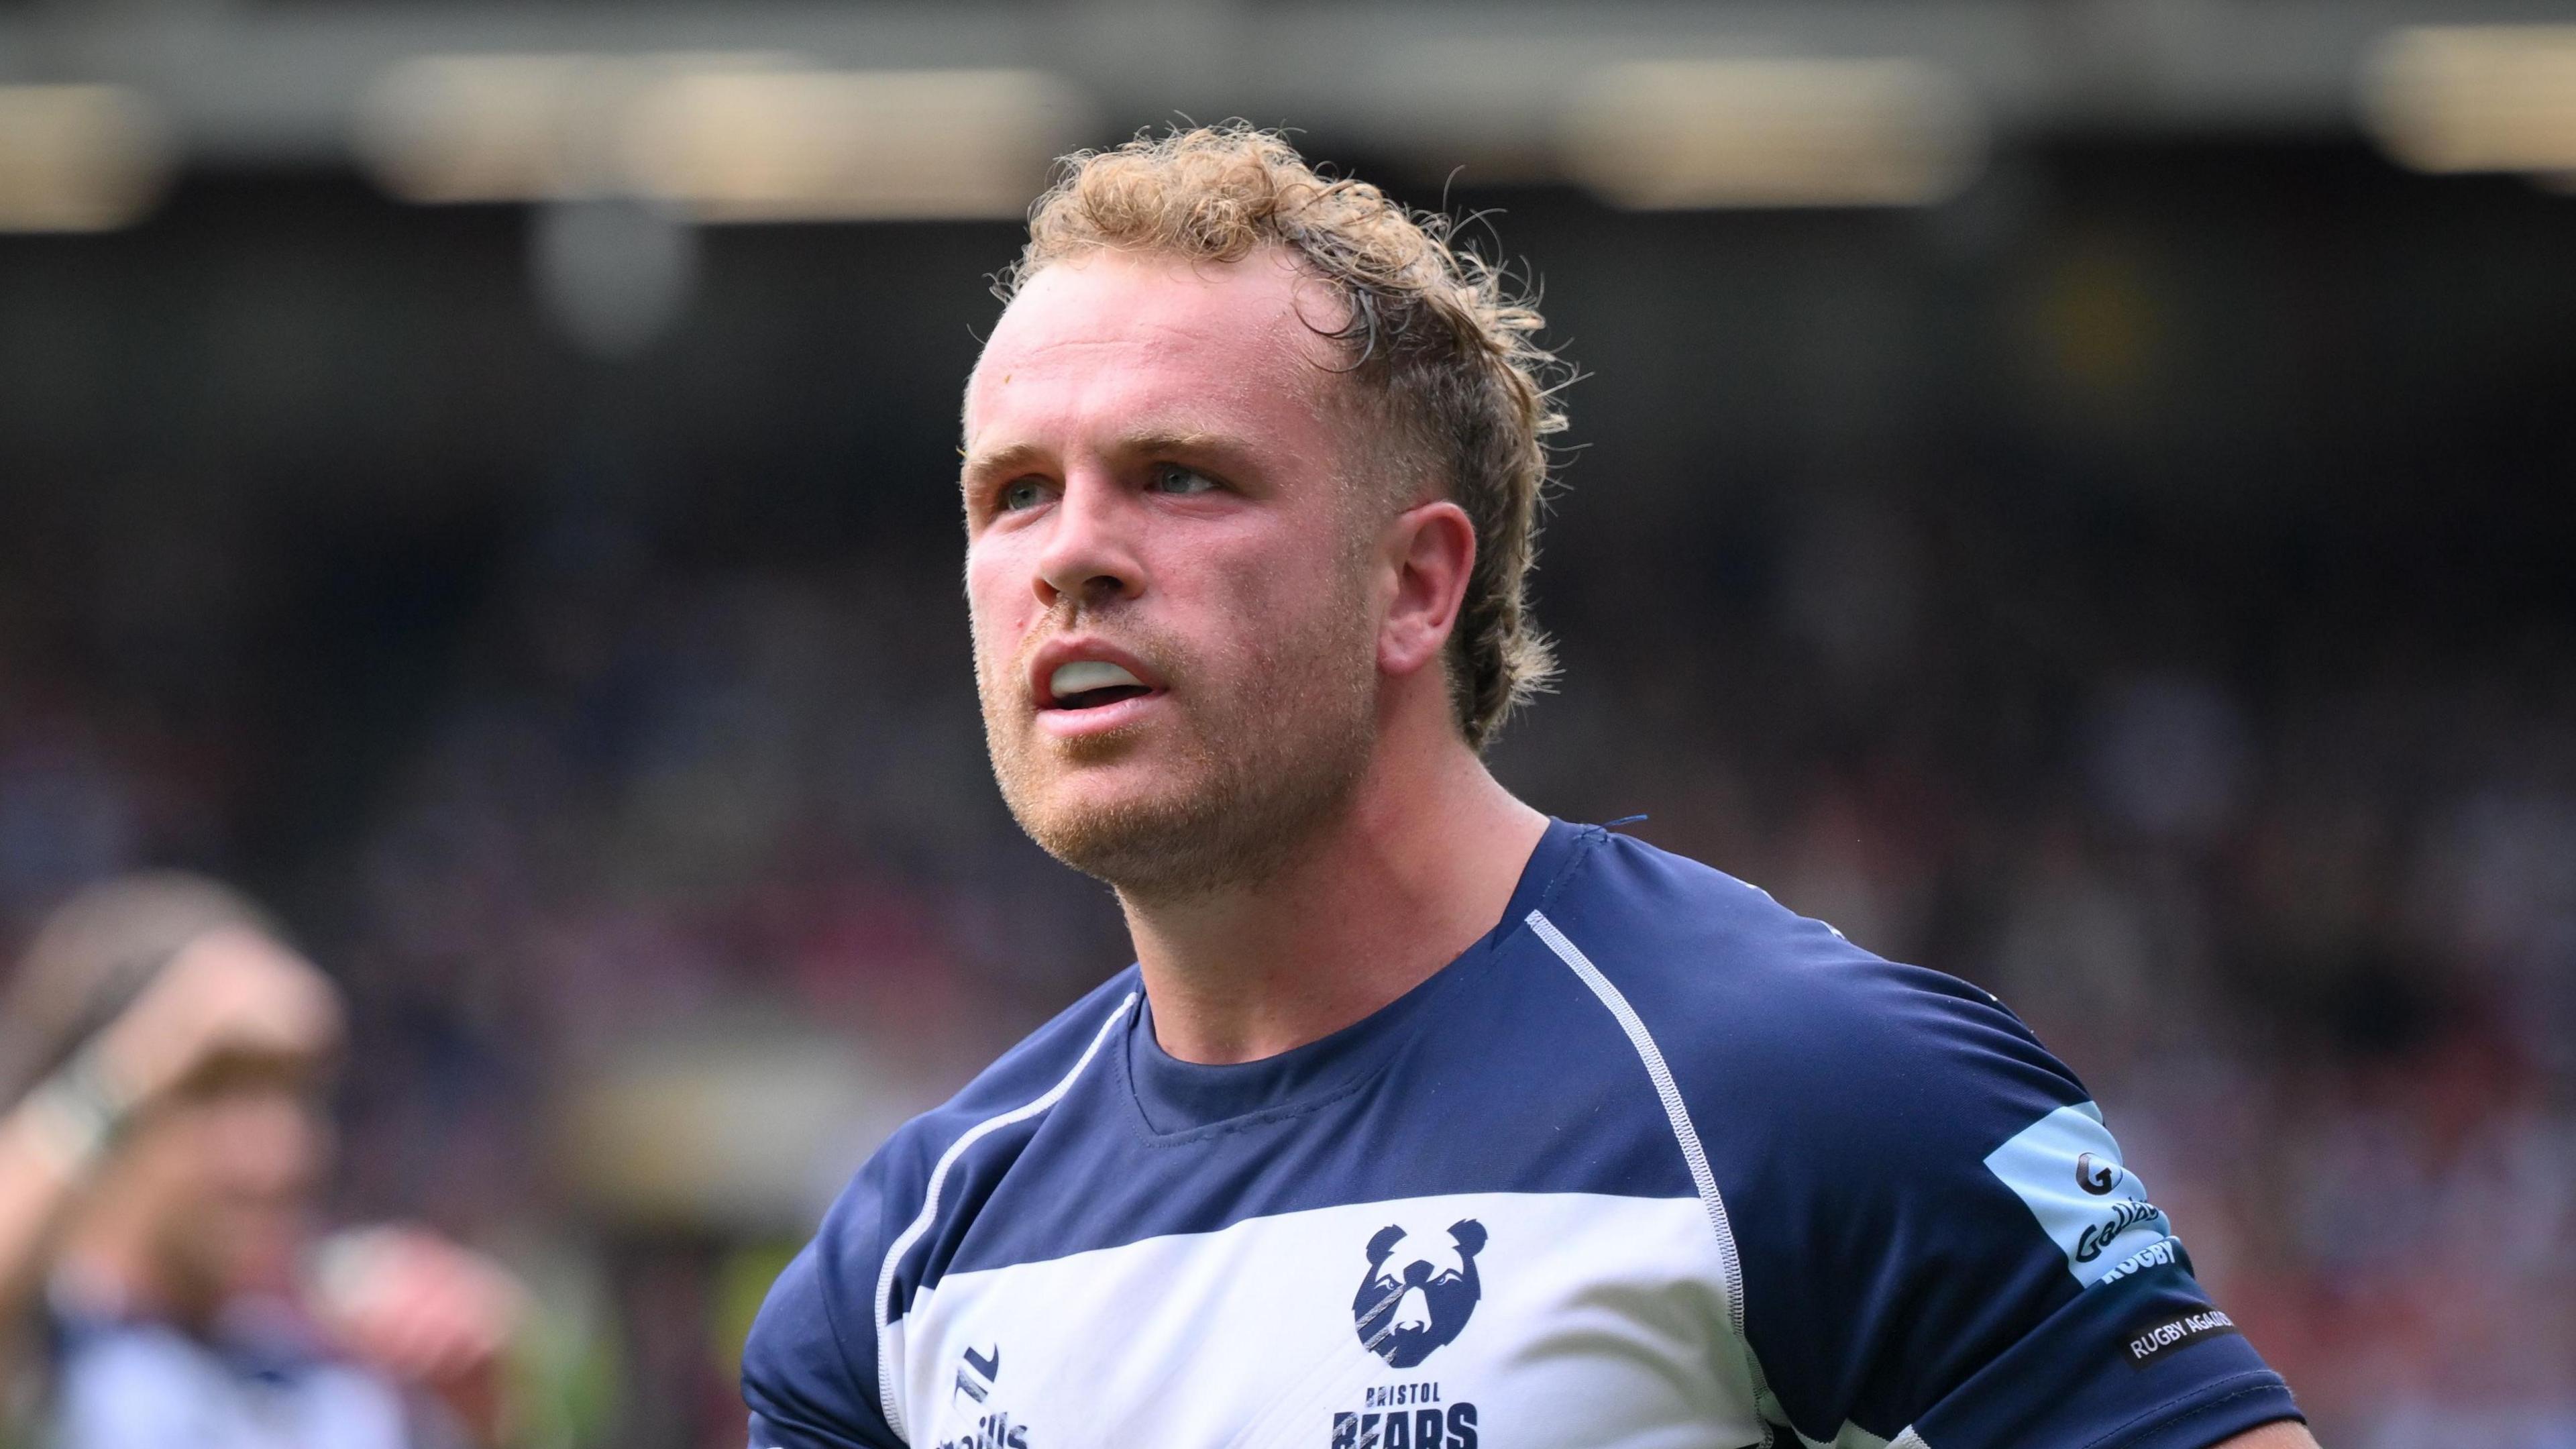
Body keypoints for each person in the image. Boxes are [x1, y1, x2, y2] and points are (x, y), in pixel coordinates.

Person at [741, 125, 2316, 1449]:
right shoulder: (897, 1265)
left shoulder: (1815, 1093)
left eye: (1179, 475)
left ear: (1415, 585)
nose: (1072, 552)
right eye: (1015, 492)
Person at [0, 873, 523, 1448]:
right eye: (216, 1088)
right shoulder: (42, 1350)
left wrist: (479, 1422)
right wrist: (148, 1048)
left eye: (303, 1092)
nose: (283, 1151)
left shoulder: (338, 1367)